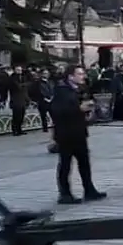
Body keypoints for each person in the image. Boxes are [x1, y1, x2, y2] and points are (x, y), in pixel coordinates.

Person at [50, 65, 107, 204]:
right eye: (80, 74)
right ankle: (65, 194)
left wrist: (87, 111)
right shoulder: (61, 91)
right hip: (66, 134)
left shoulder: (78, 90)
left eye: (83, 74)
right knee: (65, 164)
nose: (83, 76)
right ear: (70, 76)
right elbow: (58, 111)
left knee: (84, 163)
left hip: (79, 132)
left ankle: (89, 190)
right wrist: (78, 109)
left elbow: (79, 106)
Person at [8, 65, 29, 136]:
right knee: (16, 115)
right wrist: (23, 85)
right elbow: (18, 86)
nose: (19, 71)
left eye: (20, 70)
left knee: (22, 115)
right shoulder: (12, 78)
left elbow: (26, 86)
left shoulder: (23, 77)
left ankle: (19, 129)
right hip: (16, 99)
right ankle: (15, 130)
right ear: (15, 70)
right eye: (18, 70)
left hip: (22, 99)